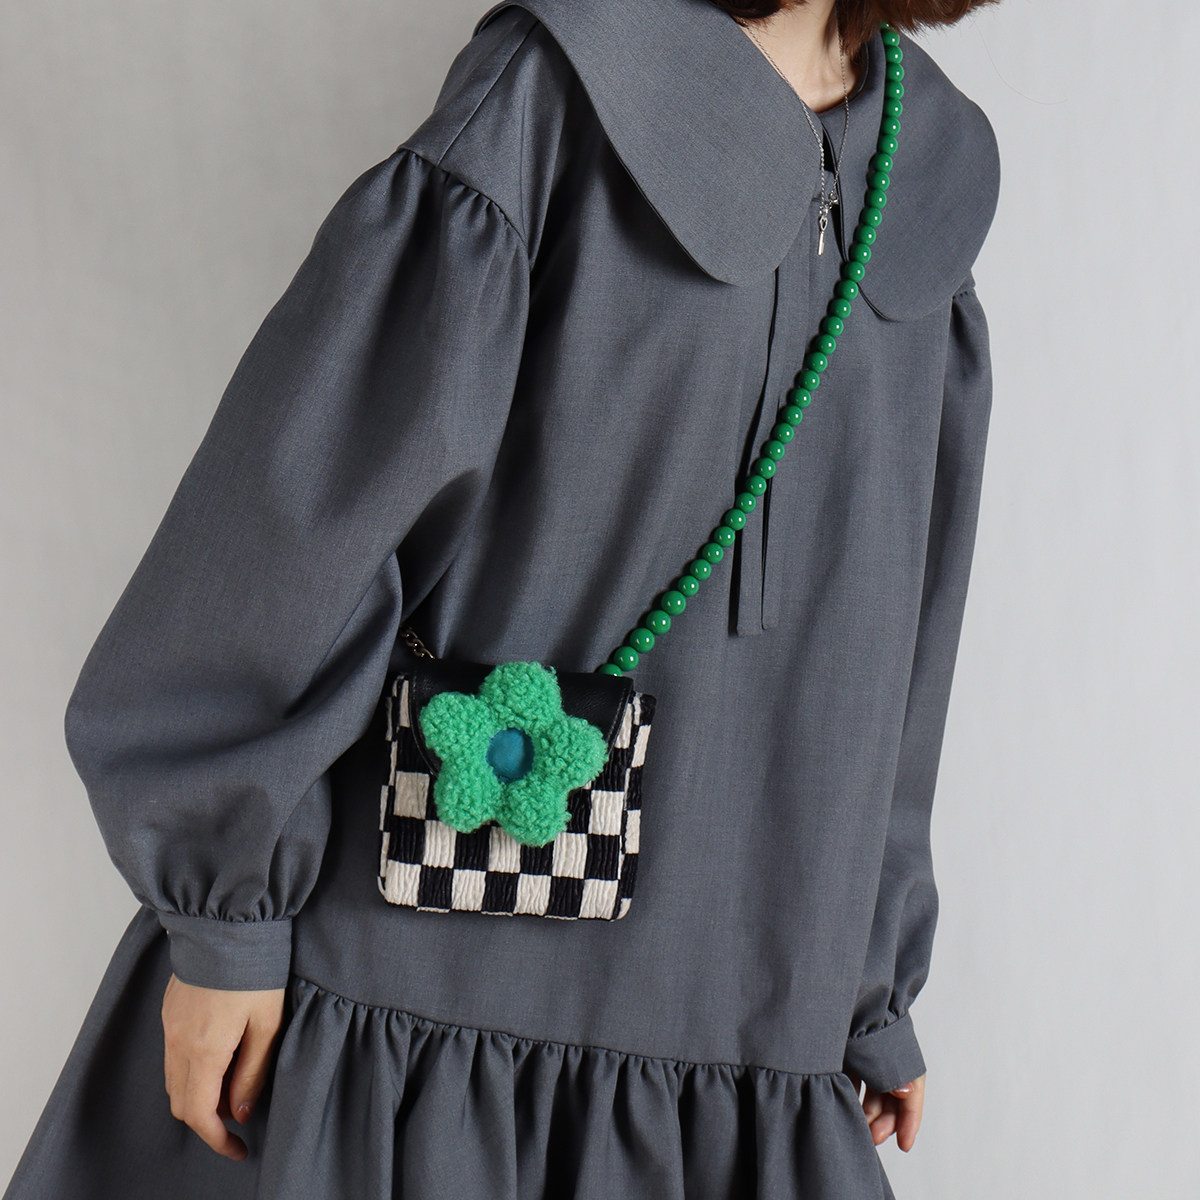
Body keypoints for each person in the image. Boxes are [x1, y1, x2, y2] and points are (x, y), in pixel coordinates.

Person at [4, 0, 1002, 1196]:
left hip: (757, 1010)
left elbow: (906, 645)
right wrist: (227, 913)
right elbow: (311, 510)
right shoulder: (558, 93)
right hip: (422, 991)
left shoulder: (919, 169)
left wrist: (871, 978)